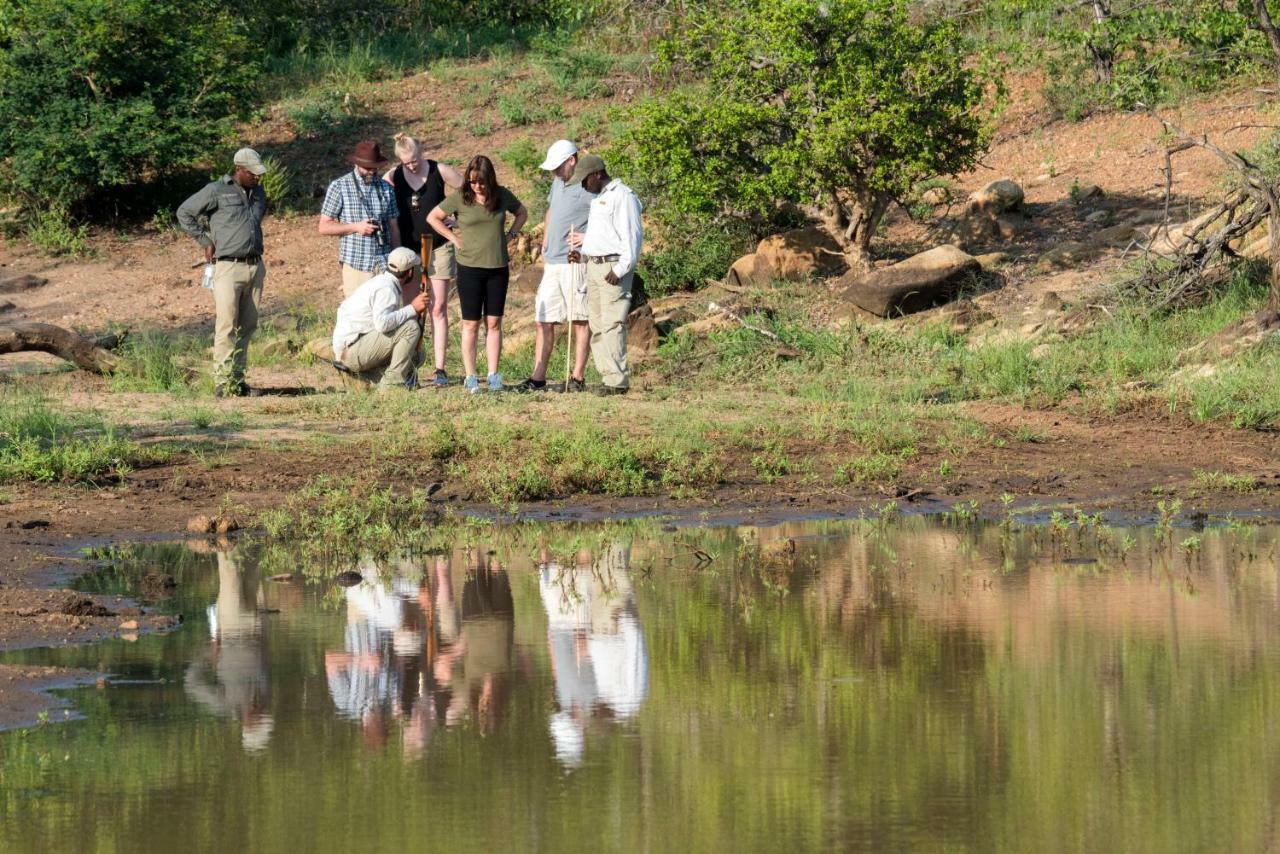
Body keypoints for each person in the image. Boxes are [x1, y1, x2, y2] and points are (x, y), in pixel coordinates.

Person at [426, 155, 527, 393]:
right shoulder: (461, 198)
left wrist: (511, 235)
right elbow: (433, 217)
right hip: (469, 268)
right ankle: (470, 377)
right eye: (472, 181)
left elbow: (522, 213)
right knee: (470, 324)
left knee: (494, 322)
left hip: (498, 268)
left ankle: (493, 375)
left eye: (481, 182)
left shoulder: (502, 195)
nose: (477, 186)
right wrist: (453, 237)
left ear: (489, 179)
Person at [176, 147, 268, 398]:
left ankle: (238, 380)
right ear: (239, 169)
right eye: (252, 173)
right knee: (226, 323)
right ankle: (223, 381)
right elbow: (184, 212)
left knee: (248, 325)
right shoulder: (216, 190)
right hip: (227, 266)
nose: (257, 178)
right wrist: (205, 241)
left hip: (255, 265)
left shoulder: (258, 193)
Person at [383, 134, 465, 388]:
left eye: (415, 160)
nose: (412, 165)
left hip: (439, 246)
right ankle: (409, 367)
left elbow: (468, 189)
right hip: (408, 251)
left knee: (438, 308)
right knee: (411, 309)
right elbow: (380, 197)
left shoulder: (438, 170)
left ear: (421, 152)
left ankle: (440, 368)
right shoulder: (393, 176)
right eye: (406, 162)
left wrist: (458, 219)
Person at [515, 140, 592, 393]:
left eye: (558, 167)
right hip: (552, 261)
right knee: (543, 319)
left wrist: (587, 239)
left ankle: (577, 377)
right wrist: (546, 238)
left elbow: (605, 218)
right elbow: (550, 210)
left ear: (572, 160)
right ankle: (538, 378)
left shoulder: (590, 185)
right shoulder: (558, 182)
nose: (554, 172)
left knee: (579, 319)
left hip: (576, 261)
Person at [567, 155, 644, 395]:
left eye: (584, 180)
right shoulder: (600, 198)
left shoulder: (623, 196)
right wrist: (581, 255)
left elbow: (632, 237)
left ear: (597, 174)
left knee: (612, 324)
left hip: (612, 268)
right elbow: (603, 238)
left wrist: (620, 269)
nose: (582, 185)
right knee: (598, 325)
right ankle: (608, 376)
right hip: (594, 267)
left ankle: (617, 381)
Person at [331, 247, 429, 391]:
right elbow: (382, 324)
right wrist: (412, 308)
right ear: (409, 272)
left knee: (418, 354)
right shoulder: (386, 288)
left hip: (354, 348)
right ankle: (392, 385)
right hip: (351, 352)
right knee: (411, 328)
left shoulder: (383, 281)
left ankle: (369, 380)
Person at [318, 140, 401, 298]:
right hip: (357, 264)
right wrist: (356, 227)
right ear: (356, 164)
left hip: (384, 262)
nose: (371, 171)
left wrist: (397, 258)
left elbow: (394, 227)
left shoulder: (386, 188)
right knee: (358, 317)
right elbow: (324, 226)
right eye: (367, 168)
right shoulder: (340, 186)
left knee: (385, 315)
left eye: (375, 167)